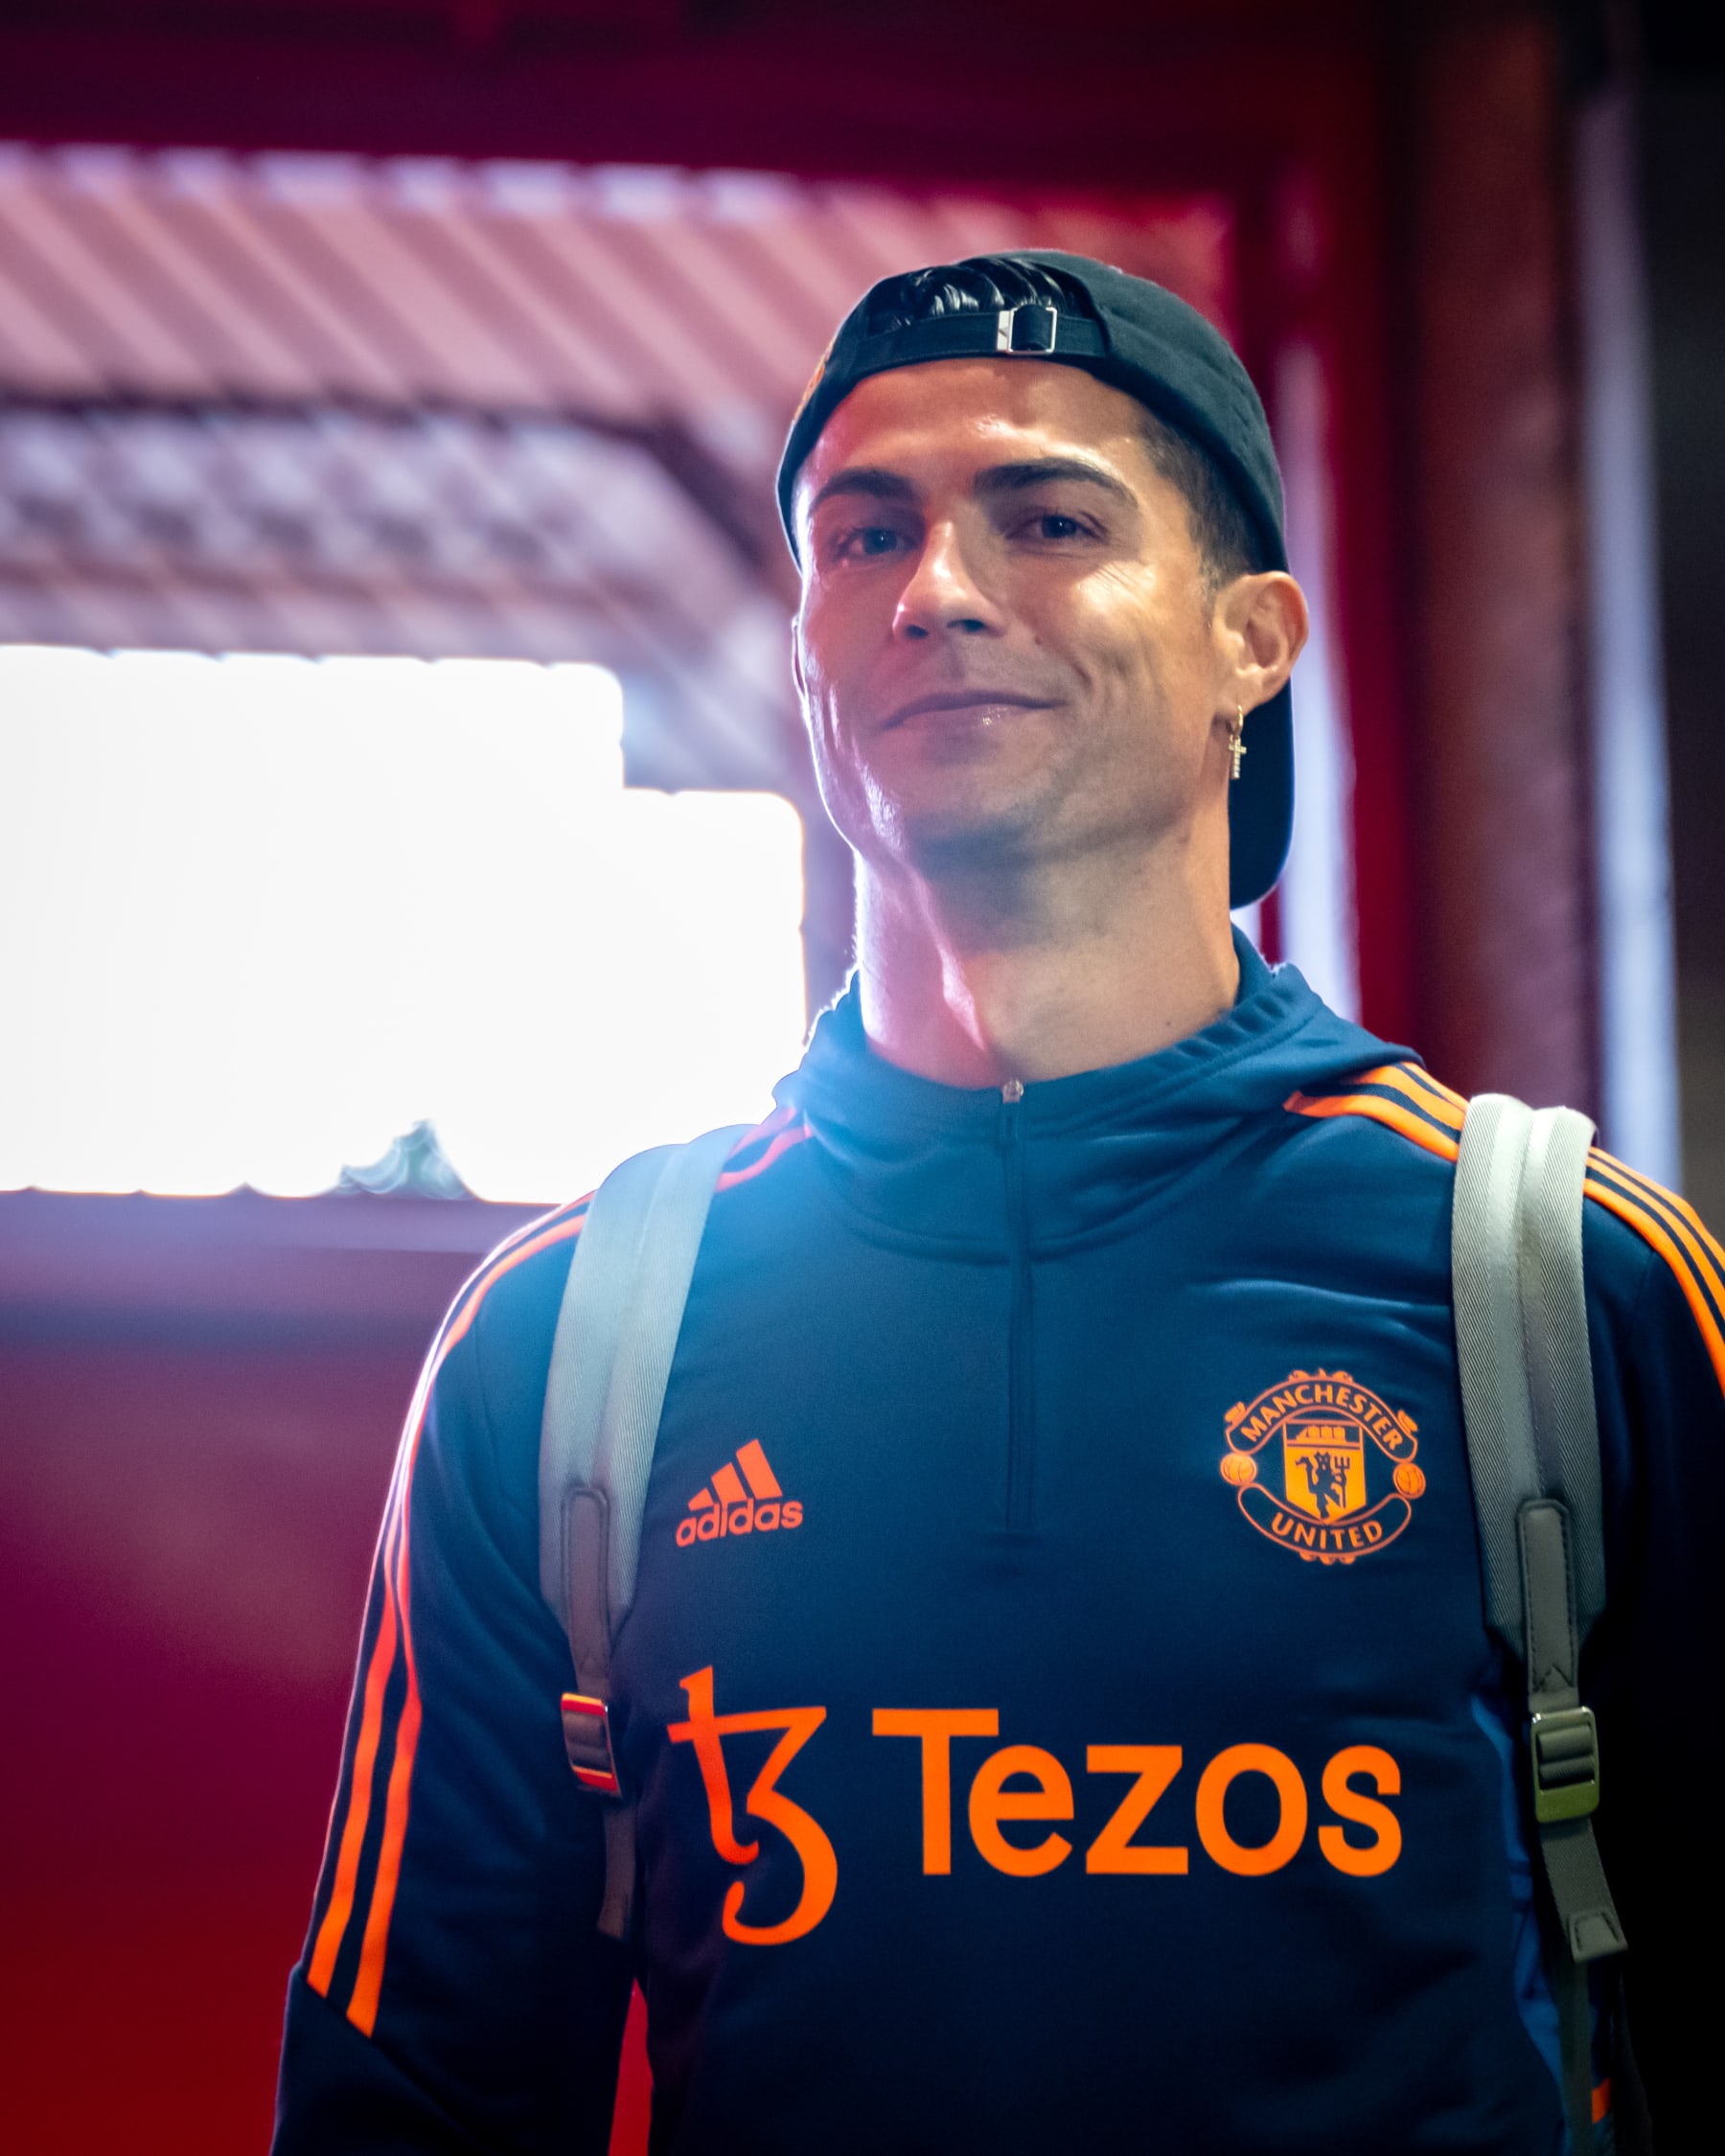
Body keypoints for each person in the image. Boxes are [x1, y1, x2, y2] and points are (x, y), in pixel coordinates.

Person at [272, 254, 1720, 2152]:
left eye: (1047, 520)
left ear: (1251, 640)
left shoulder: (1557, 1283)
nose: (938, 591)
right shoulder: (571, 1349)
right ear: (805, 650)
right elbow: (416, 2105)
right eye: (866, 536)